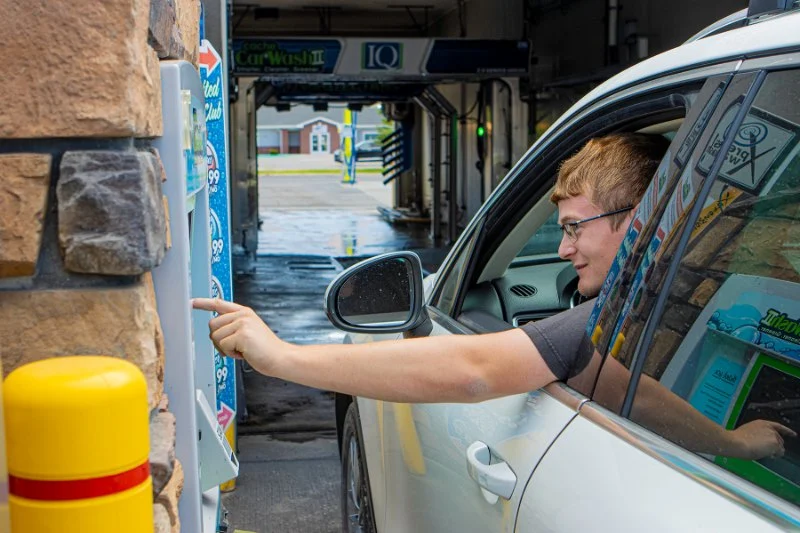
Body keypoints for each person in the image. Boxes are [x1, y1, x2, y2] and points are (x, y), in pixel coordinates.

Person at [194, 133, 794, 460]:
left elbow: (474, 368)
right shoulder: (684, 294)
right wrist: (723, 441)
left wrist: (283, 356)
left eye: (574, 227)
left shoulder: (617, 311)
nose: (563, 251)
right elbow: (617, 384)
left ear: (640, 222)